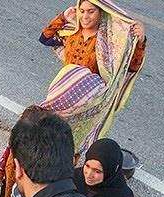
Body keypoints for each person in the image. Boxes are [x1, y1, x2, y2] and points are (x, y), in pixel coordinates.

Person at [39, 0, 147, 154]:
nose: (85, 16)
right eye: (82, 11)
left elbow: (131, 66)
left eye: (91, 11)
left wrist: (139, 42)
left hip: (88, 100)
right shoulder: (71, 32)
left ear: (101, 12)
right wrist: (63, 17)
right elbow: (45, 38)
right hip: (64, 92)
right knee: (45, 132)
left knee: (71, 143)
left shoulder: (111, 42)